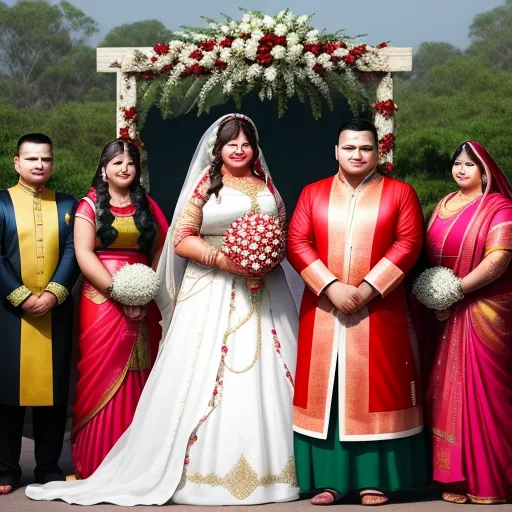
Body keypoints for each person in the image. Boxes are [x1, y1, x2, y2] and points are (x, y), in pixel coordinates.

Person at [26, 114, 299, 506]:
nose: (239, 149)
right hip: (214, 288)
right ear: (217, 149)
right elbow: (181, 239)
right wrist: (225, 260)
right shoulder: (206, 185)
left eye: (245, 143)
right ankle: (198, 471)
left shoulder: (268, 186)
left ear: (255, 148)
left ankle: (279, 470)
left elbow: (282, 233)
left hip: (266, 294)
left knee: (271, 371)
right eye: (231, 143)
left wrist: (265, 258)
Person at [287, 119, 427, 506]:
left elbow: (409, 242)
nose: (357, 154)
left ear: (377, 152)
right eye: (349, 147)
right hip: (323, 309)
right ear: (336, 151)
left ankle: (375, 480)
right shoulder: (312, 194)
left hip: (381, 310)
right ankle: (328, 482)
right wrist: (330, 286)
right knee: (327, 389)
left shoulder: (400, 193)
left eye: (365, 148)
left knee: (378, 390)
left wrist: (366, 290)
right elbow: (296, 242)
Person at [70, 139, 168, 479]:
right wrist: (119, 293)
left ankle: (138, 463)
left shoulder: (149, 206)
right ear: (104, 168)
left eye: (130, 163)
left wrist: (145, 292)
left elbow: (161, 251)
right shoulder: (88, 206)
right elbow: (84, 254)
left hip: (144, 299)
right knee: (100, 374)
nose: (125, 168)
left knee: (143, 371)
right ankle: (96, 461)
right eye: (117, 163)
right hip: (102, 299)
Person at [424, 141, 512, 505]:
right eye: (456, 163)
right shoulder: (443, 205)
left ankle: (492, 478)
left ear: (485, 171)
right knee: (445, 391)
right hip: (445, 310)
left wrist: (456, 290)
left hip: (486, 309)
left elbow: (499, 259)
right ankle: (454, 476)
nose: (461, 169)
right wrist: (435, 298)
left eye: (469, 165)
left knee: (488, 394)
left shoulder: (500, 208)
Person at [0, 133, 78, 494]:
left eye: (45, 159)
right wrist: (20, 296)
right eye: (31, 159)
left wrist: (54, 293)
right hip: (8, 313)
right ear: (17, 162)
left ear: (53, 163)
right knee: (6, 392)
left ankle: (48, 466)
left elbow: (72, 252)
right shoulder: (1, 203)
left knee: (54, 390)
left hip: (55, 309)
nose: (39, 165)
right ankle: (6, 469)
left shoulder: (67, 205)